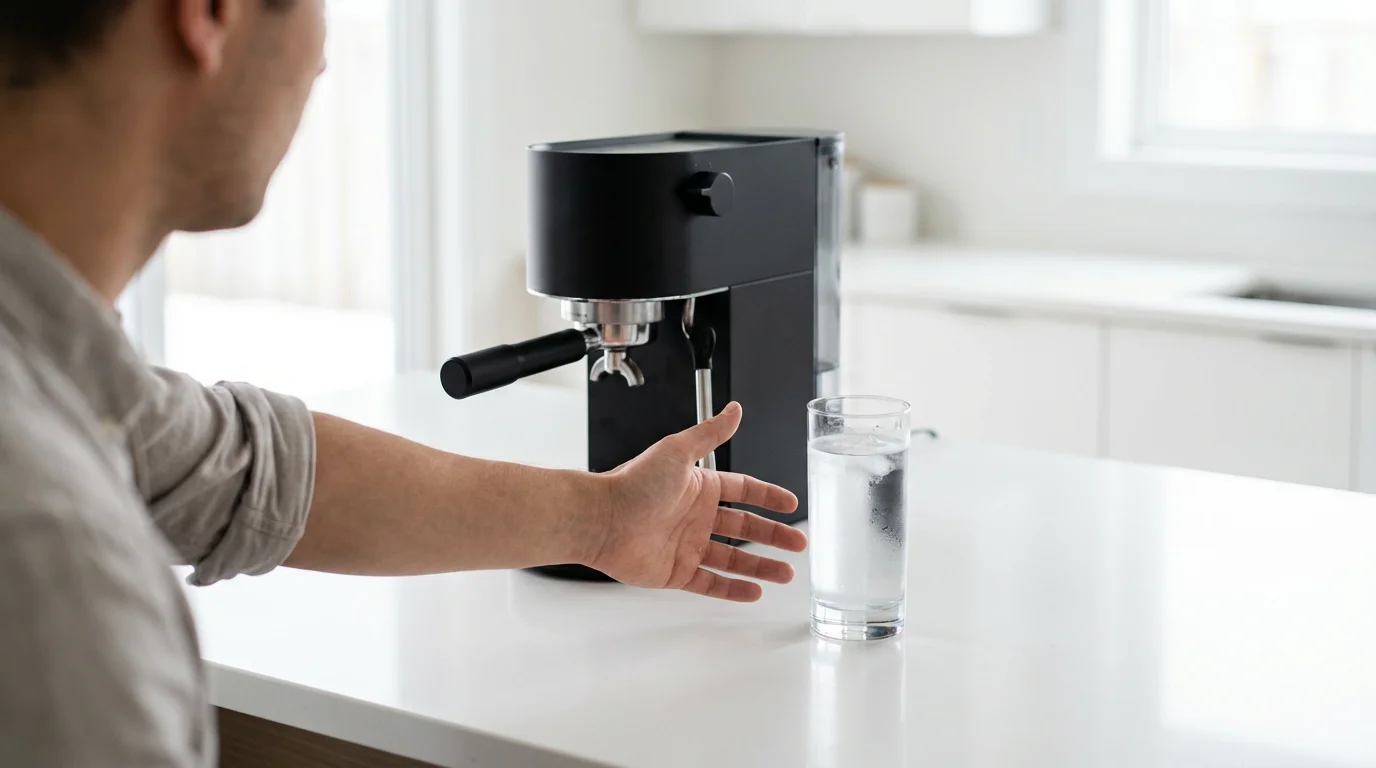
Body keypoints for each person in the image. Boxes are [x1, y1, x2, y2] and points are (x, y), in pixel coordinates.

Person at [0, 1, 809, 765]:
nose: (322, 62)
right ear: (211, 12)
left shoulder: (64, 381)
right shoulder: (52, 553)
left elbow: (242, 472)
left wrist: (602, 521)